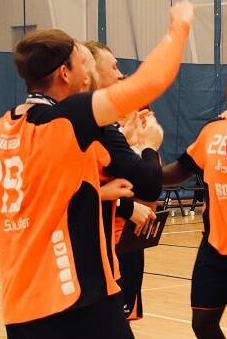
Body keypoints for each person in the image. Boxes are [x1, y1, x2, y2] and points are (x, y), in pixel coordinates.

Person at [0, 2, 194, 338]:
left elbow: (51, 192)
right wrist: (180, 25)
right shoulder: (70, 119)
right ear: (65, 73)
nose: (90, 75)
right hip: (74, 294)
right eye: (84, 64)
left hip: (20, 302)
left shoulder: (1, 130)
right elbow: (151, 81)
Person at [161, 74, 227, 339]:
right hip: (216, 248)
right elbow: (180, 170)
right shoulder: (212, 130)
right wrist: (142, 168)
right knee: (202, 323)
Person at [83, 41, 161, 322]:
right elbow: (148, 184)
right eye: (113, 67)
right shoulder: (85, 124)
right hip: (94, 248)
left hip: (119, 240)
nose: (119, 74)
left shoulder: (110, 128)